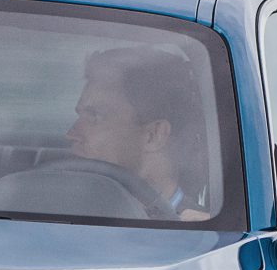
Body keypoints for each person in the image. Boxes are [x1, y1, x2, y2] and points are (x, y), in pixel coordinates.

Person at [66, 45, 209, 219]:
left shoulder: (204, 237)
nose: (71, 134)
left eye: (95, 116)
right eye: (80, 115)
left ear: (153, 136)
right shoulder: (55, 207)